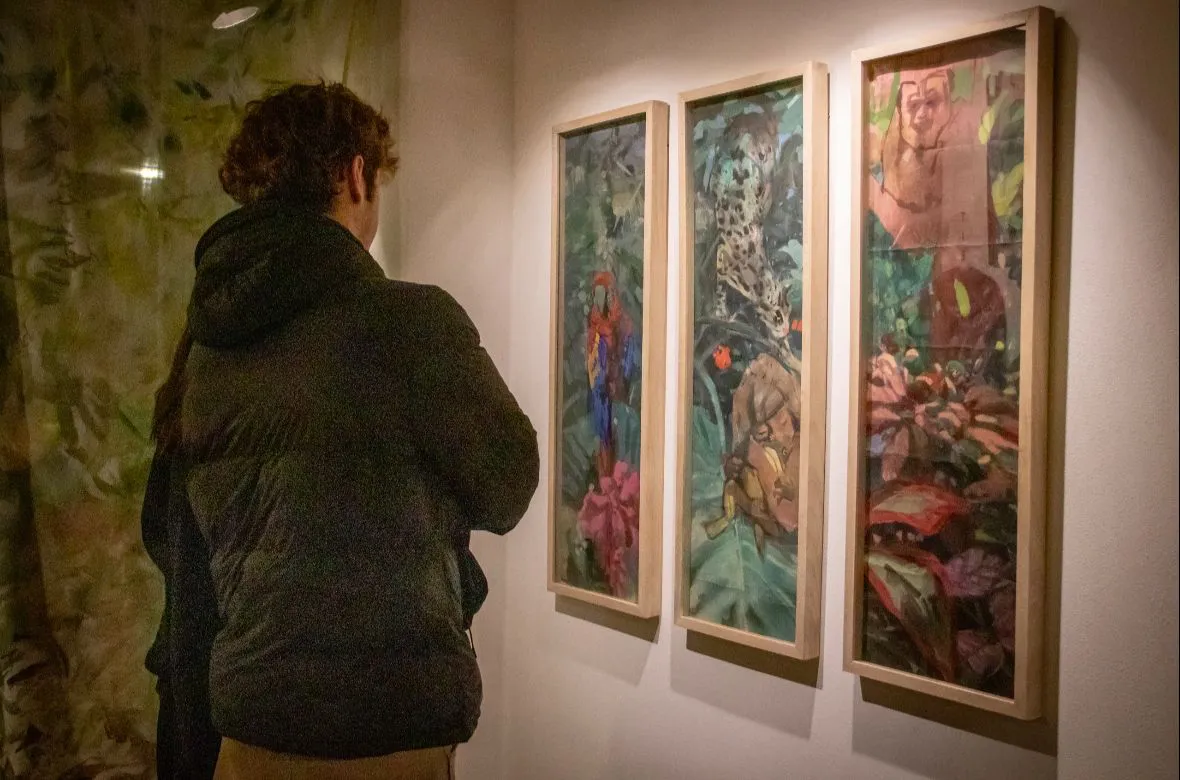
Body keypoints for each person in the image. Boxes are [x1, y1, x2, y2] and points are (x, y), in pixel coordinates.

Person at [141, 81, 539, 779]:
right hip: (384, 735)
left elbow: (174, 537)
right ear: (356, 175)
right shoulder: (411, 323)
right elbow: (507, 486)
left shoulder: (204, 346)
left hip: (247, 734)